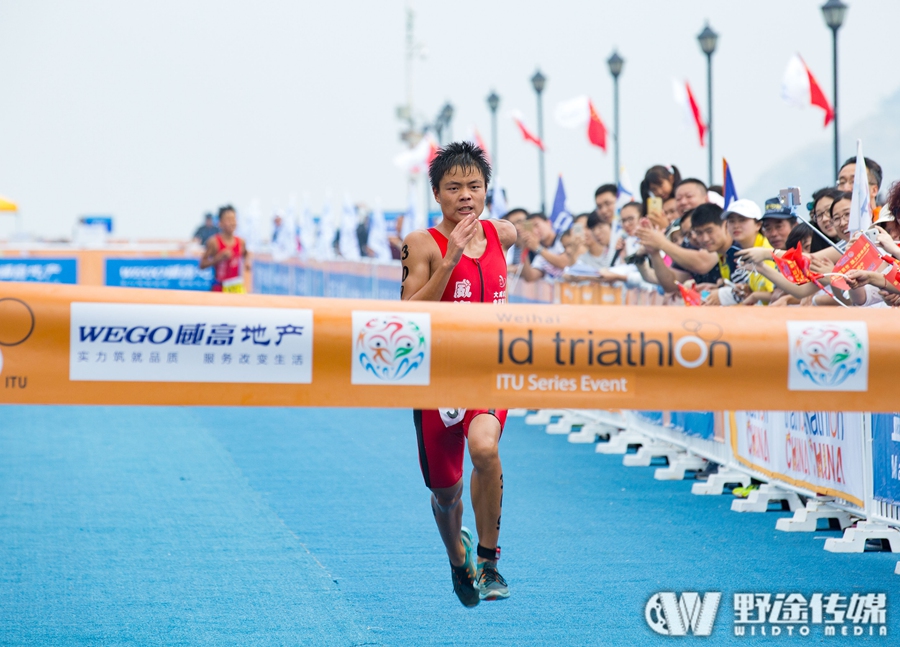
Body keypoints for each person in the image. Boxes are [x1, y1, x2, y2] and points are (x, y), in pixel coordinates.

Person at [400, 141, 516, 607]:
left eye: (475, 185)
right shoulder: (420, 244)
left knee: (484, 446)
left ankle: (488, 562)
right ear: (436, 194)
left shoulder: (502, 233)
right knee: (446, 495)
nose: (465, 195)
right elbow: (406, 314)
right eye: (454, 187)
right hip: (435, 379)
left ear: (487, 189)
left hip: (489, 370)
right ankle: (457, 558)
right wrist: (449, 261)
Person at [200, 205, 249, 292]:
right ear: (220, 223)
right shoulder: (214, 242)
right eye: (228, 220)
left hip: (236, 288)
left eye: (234, 219)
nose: (232, 223)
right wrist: (218, 258)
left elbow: (246, 254)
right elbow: (202, 265)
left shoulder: (241, 242)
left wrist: (247, 263)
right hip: (219, 287)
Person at [519, 213, 569, 282]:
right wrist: (524, 249)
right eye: (531, 228)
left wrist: (537, 247)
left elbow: (564, 263)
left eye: (536, 225)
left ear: (548, 223)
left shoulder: (563, 239)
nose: (535, 231)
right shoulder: (540, 254)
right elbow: (530, 277)